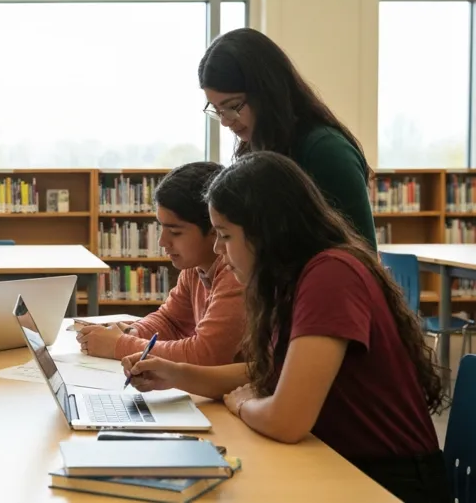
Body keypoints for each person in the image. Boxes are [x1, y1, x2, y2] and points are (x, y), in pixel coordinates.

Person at [123, 151, 450, 503]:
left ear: (266, 231)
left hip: (388, 482)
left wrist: (243, 405)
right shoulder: (292, 280)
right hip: (340, 461)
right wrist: (175, 374)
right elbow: (265, 375)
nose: (218, 248)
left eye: (225, 235)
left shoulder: (330, 276)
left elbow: (285, 421)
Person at [198, 27, 377, 251]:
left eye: (233, 107)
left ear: (267, 91)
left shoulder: (326, 151)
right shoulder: (257, 149)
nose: (225, 121)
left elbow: (361, 254)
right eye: (217, 110)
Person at [76, 162, 245, 365]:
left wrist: (119, 345)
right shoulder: (195, 268)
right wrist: (132, 331)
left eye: (175, 232)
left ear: (214, 229)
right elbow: (170, 321)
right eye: (161, 228)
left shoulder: (236, 273)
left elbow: (206, 354)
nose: (162, 242)